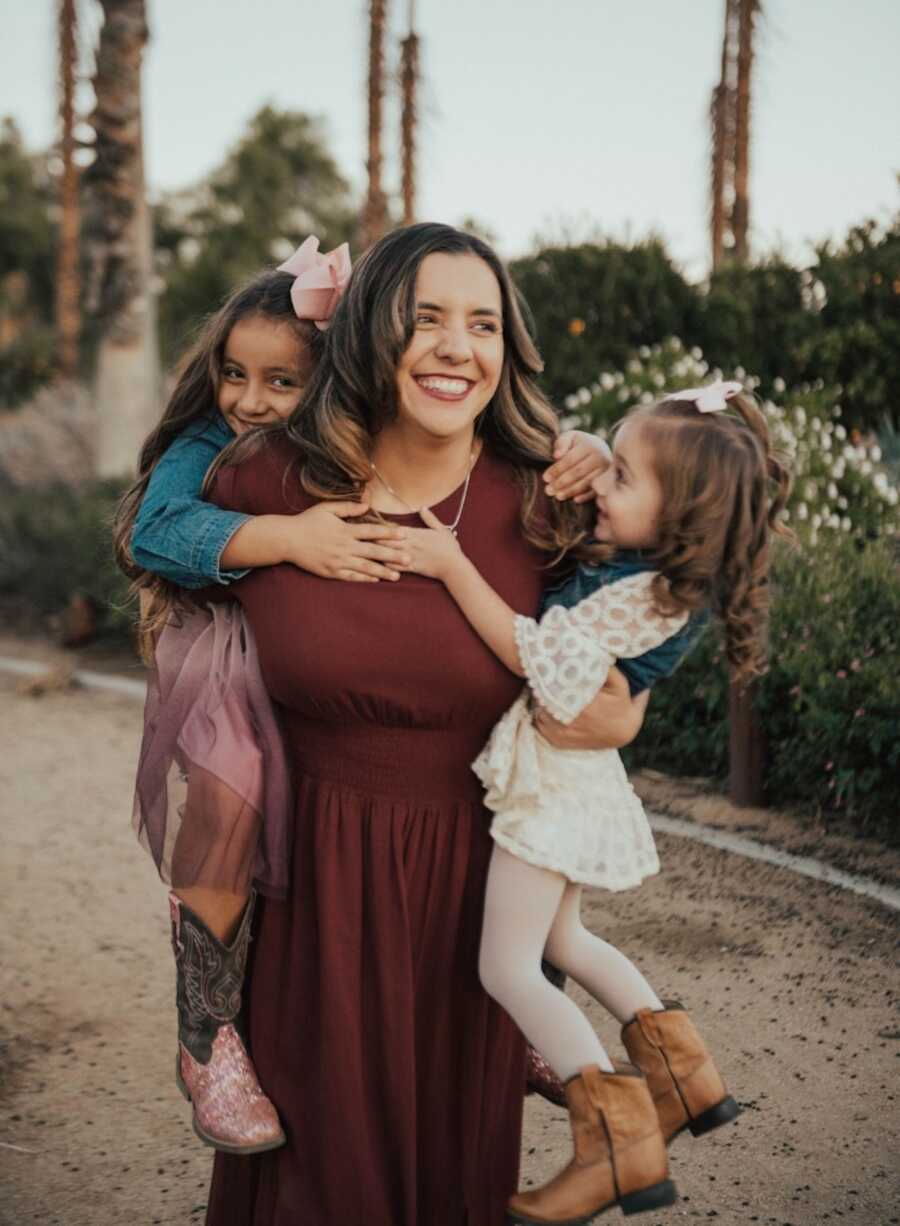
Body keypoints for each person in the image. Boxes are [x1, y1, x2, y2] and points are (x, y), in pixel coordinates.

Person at [112, 232, 613, 1161]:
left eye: (482, 323)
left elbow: (620, 612)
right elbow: (154, 531)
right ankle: (206, 1032)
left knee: (547, 780)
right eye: (424, 320)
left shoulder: (538, 491)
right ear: (376, 343)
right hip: (277, 771)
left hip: (473, 844)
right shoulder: (227, 461)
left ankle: (538, 998)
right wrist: (287, 539)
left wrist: (593, 452)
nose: (252, 404)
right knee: (223, 804)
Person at [398, 379, 791, 1224]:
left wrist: (449, 563)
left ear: (681, 513)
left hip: (554, 786)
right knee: (565, 939)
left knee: (506, 965)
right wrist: (583, 452)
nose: (603, 488)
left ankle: (614, 1144)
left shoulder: (644, 599)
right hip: (567, 781)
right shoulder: (648, 575)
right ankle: (685, 1078)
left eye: (622, 478)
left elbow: (532, 653)